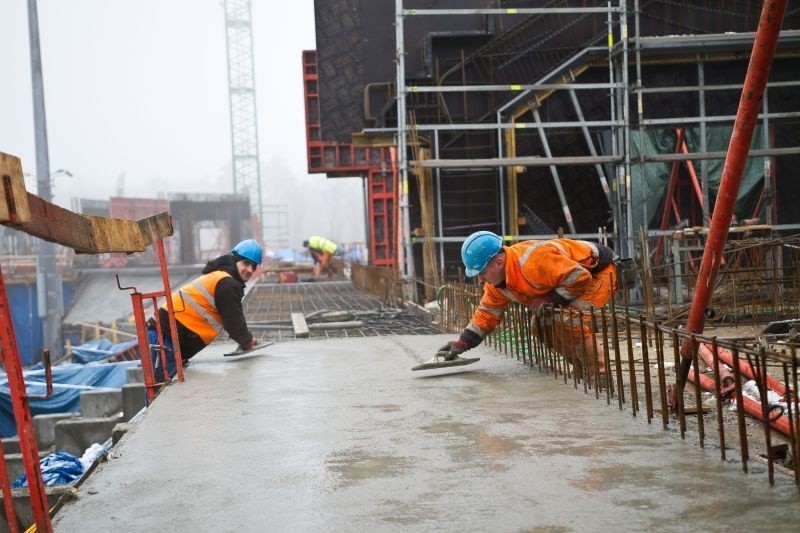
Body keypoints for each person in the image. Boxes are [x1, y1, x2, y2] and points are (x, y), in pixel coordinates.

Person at [436, 231, 617, 382]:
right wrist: (462, 343)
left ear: (499, 263)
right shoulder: (496, 284)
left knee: (565, 321)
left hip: (598, 272)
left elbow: (580, 277)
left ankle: (599, 375)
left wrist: (549, 299)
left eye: (482, 272)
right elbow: (487, 314)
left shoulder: (533, 262)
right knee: (538, 326)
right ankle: (580, 367)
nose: (480, 279)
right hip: (565, 280)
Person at [147, 238, 263, 381]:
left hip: (168, 336)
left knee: (162, 389)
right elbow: (233, 321)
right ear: (235, 260)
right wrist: (247, 342)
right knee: (161, 390)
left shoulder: (221, 277)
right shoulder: (227, 283)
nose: (250, 270)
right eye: (246, 263)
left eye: (254, 266)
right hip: (165, 338)